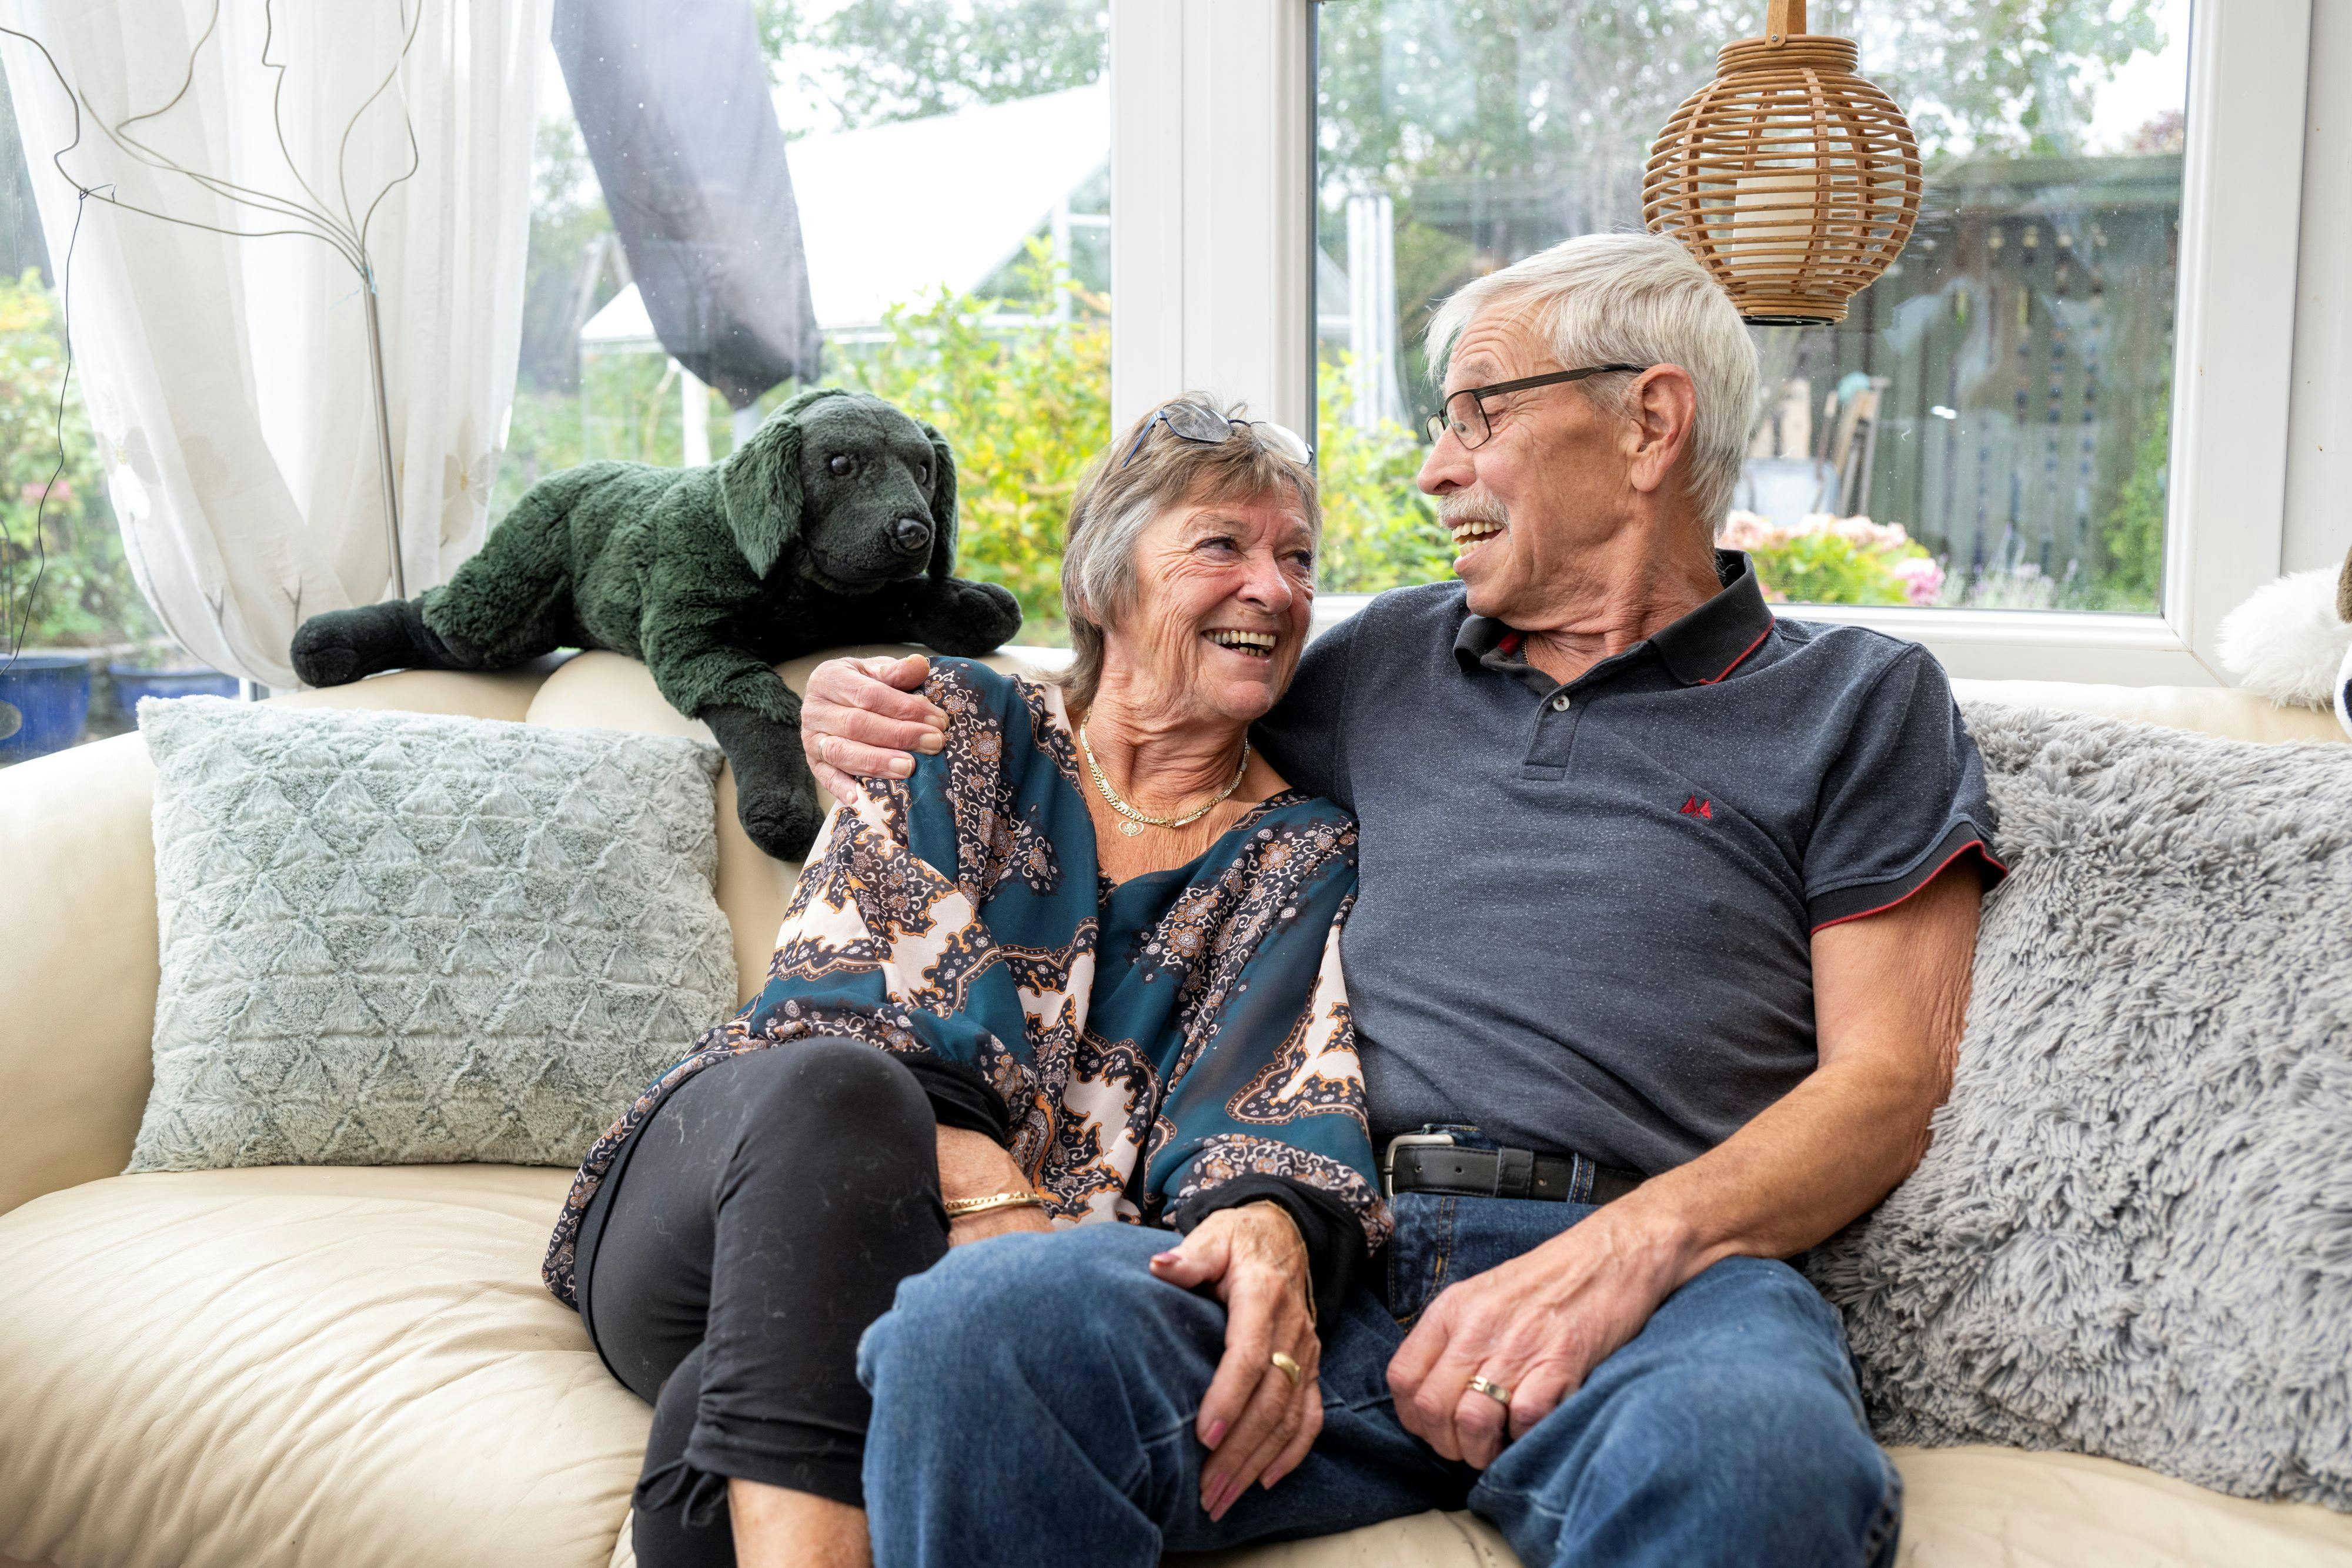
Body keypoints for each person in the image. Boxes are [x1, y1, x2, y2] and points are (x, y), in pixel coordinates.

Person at [800, 232, 2003, 1568]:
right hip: (1333, 1250)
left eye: (1479, 412)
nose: (1435, 467)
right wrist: (887, 713)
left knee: (1759, 1460)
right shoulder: (1382, 661)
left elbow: (1886, 1084)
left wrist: (1618, 1258)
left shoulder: (1858, 700)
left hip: (1656, 1282)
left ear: (1648, 423)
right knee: (988, 1326)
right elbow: (1128, 714)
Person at [542, 400, 1392, 1568]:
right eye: (1222, 546)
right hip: (733, 1205)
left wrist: (1244, 1227)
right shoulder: (954, 718)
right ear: (1101, 585)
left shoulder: (1297, 852)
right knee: (839, 1094)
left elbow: (1265, 1095)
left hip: (921, 1309)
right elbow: (840, 996)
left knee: (736, 1412)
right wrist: (1002, 1206)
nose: (1276, 587)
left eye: (1297, 557)